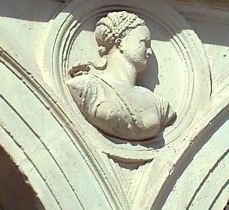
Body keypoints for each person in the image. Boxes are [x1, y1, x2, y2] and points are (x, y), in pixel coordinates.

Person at [67, 11, 175, 141]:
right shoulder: (86, 87)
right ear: (120, 43)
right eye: (144, 43)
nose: (149, 51)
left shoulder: (159, 104)